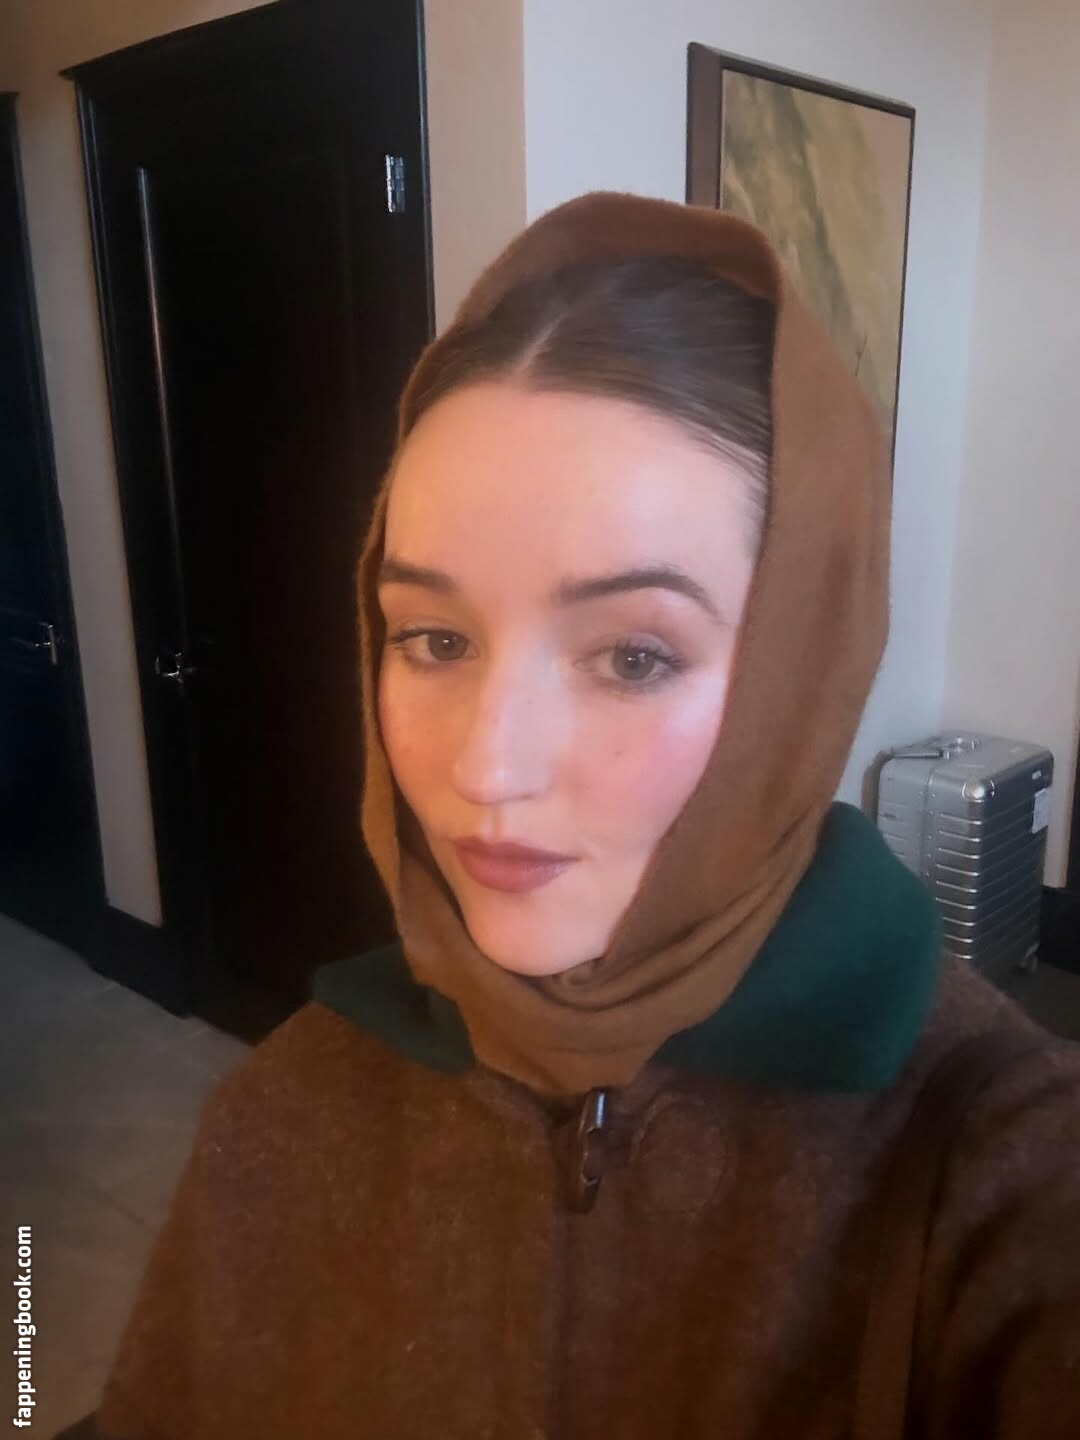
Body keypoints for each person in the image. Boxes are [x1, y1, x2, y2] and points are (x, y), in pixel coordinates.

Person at [74, 191, 1080, 1440]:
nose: (487, 768)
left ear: (801, 673)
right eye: (434, 639)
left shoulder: (1003, 1168)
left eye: (633, 658)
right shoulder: (284, 1110)